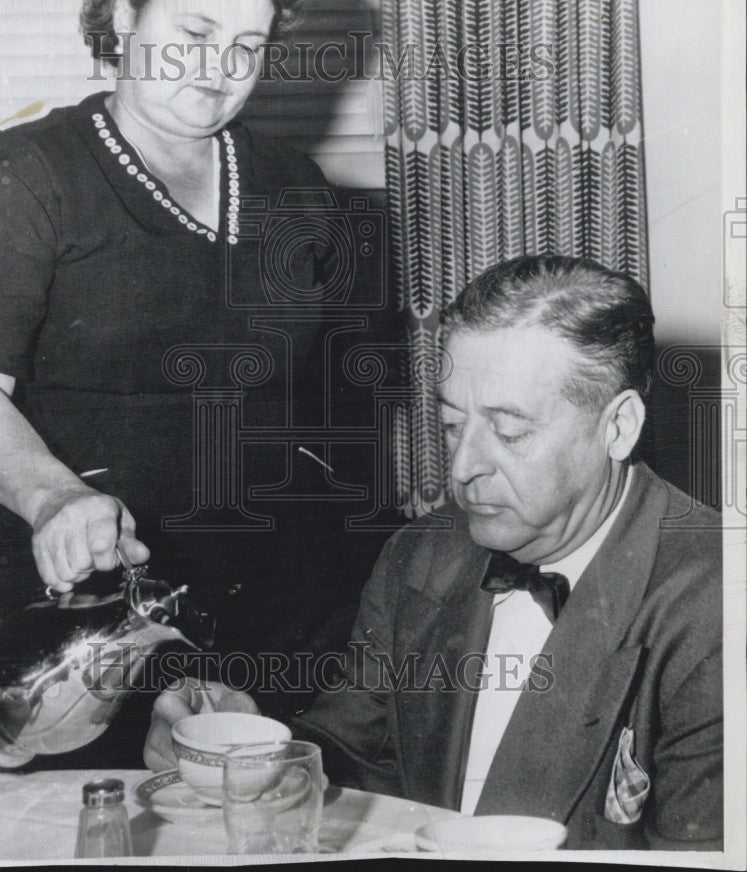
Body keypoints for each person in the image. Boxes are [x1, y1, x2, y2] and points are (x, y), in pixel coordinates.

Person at [0, 0, 378, 769]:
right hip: (62, 603)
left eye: (247, 47)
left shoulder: (295, 185)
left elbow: (308, 414)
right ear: (123, 15)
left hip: (254, 599)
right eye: (195, 34)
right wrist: (51, 498)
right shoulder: (26, 171)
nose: (218, 72)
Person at [144, 255, 723, 851]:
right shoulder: (421, 554)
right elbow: (353, 760)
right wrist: (254, 752)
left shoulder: (719, 603)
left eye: (510, 430)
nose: (463, 468)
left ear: (619, 426)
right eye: (452, 425)